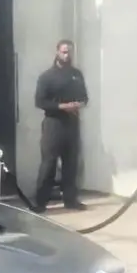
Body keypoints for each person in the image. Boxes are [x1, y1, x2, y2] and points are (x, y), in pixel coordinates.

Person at [33, 39, 88, 212]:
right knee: (48, 164)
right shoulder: (47, 76)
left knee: (71, 163)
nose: (67, 55)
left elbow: (85, 98)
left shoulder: (77, 74)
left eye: (70, 52)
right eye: (64, 52)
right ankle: (40, 202)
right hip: (53, 124)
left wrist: (78, 104)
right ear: (57, 52)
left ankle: (71, 200)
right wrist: (62, 106)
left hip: (72, 124)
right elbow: (40, 101)